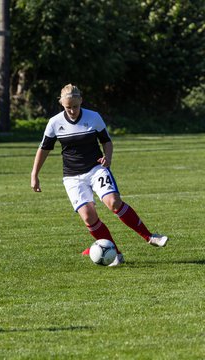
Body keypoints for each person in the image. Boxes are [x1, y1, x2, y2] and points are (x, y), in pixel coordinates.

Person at [31, 84, 169, 266]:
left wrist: (108, 158)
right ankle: (116, 254)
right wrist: (35, 175)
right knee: (88, 216)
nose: (72, 110)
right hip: (72, 177)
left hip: (96, 169)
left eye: (75, 106)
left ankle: (150, 237)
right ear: (62, 104)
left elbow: (106, 141)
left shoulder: (93, 117)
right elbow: (44, 149)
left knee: (113, 202)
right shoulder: (55, 123)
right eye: (67, 107)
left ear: (81, 101)